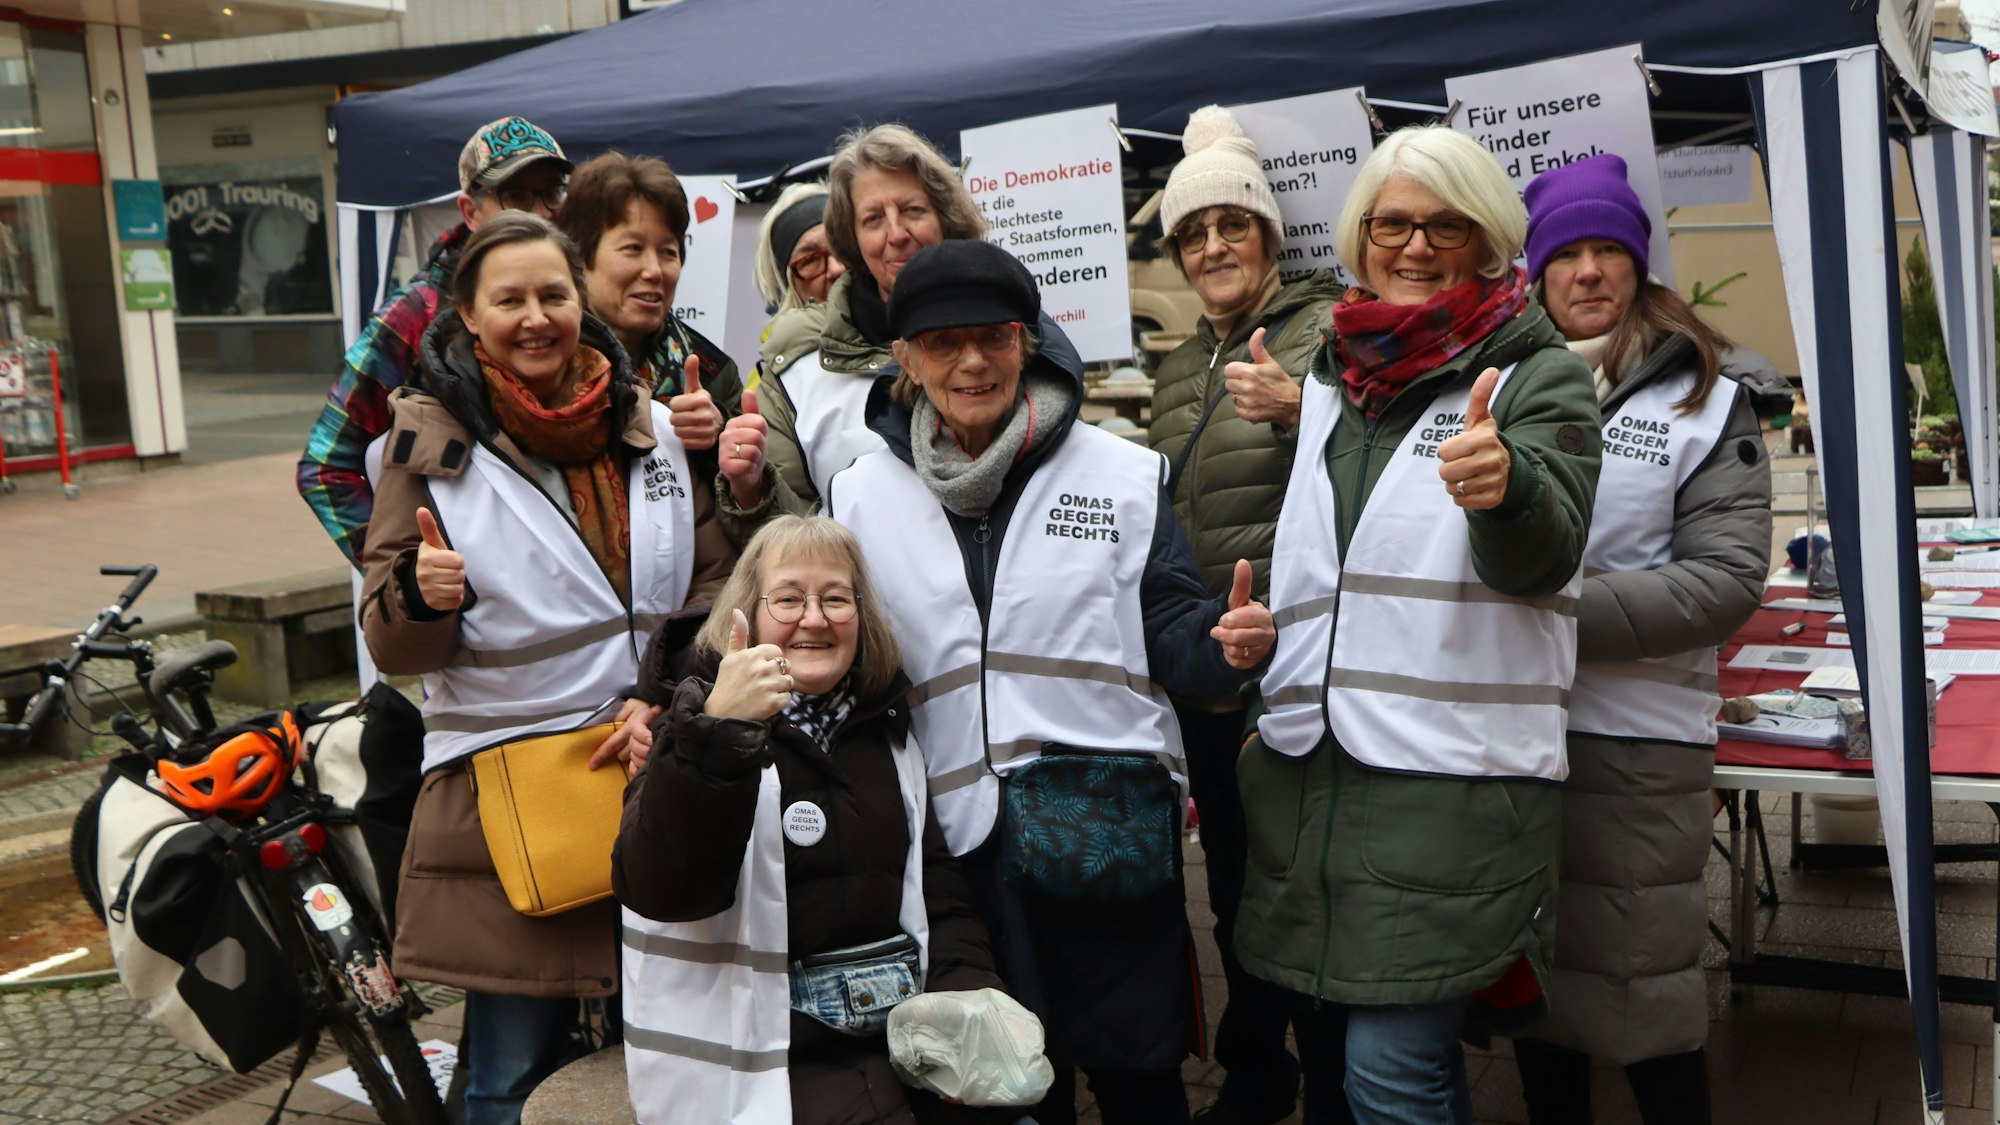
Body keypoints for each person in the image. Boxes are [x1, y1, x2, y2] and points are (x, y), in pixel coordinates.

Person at [825, 238, 1276, 1125]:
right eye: (943, 342)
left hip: (1103, 832)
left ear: (1026, 342)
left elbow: (1170, 628)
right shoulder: (857, 494)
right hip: (954, 852)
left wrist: (1223, 645)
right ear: (906, 361)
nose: (971, 361)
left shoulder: (1120, 472)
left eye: (992, 336)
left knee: (1140, 1077)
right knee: (1000, 1088)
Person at [1238, 125, 1601, 1124]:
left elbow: (1542, 555)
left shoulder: (1539, 376)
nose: (1412, 245)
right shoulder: (1328, 378)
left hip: (1455, 789)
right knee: (1377, 1071)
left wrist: (1506, 489)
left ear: (1486, 241)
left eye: (1443, 225)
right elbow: (1339, 568)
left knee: (1389, 1073)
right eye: (1390, 222)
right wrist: (1262, 638)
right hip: (1323, 780)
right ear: (1358, 236)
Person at [358, 212, 734, 1125]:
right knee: (510, 1067)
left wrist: (668, 701)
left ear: (582, 300)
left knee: (666, 1050)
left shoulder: (642, 420)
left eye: (552, 295)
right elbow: (389, 638)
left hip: (651, 768)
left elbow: (711, 586)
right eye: (510, 299)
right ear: (468, 316)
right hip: (510, 794)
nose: (536, 317)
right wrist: (421, 594)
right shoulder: (430, 443)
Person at [614, 515, 1036, 1124]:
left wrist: (968, 1000)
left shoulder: (888, 735)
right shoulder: (689, 732)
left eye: (836, 598)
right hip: (763, 1060)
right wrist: (718, 735)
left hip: (900, 1036)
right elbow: (661, 890)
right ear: (746, 616)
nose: (814, 619)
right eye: (787, 599)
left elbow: (938, 895)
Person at [1508, 153, 1771, 1125]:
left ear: (1637, 264)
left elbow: (1723, 582)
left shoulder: (1703, 398)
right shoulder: (1497, 387)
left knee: (1642, 999)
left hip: (1635, 742)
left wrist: (1548, 612)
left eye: (1605, 250)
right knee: (1533, 994)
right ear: (1534, 273)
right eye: (1564, 252)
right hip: (1509, 736)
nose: (1586, 271)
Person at [1146, 104, 1345, 1125]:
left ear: (1269, 236)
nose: (1214, 247)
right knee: (1228, 884)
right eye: (1193, 233)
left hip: (1300, 674)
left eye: (1232, 226)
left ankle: (1329, 1084)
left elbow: (1385, 472)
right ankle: (1259, 1067)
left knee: (1300, 891)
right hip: (1209, 678)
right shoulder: (1177, 368)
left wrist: (1304, 410)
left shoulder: (1330, 331)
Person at [717, 123, 1083, 537]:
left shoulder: (1017, 336)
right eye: (873, 219)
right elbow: (790, 539)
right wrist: (752, 489)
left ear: (946, 218)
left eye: (913, 210)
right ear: (851, 240)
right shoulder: (797, 368)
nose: (896, 235)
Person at [301, 115, 571, 566]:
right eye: (516, 195)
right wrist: (405, 574)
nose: (539, 211)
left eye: (551, 192)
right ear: (470, 211)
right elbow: (325, 466)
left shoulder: (575, 298)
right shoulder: (416, 312)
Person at [555, 151, 740, 452]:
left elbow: (750, 494)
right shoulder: (543, 358)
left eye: (668, 252)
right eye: (633, 248)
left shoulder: (713, 374)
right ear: (580, 258)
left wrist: (718, 438)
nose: (654, 271)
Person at [748, 181, 846, 395]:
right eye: (810, 260)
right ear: (785, 282)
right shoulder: (767, 384)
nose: (836, 269)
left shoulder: (903, 346)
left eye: (842, 249)